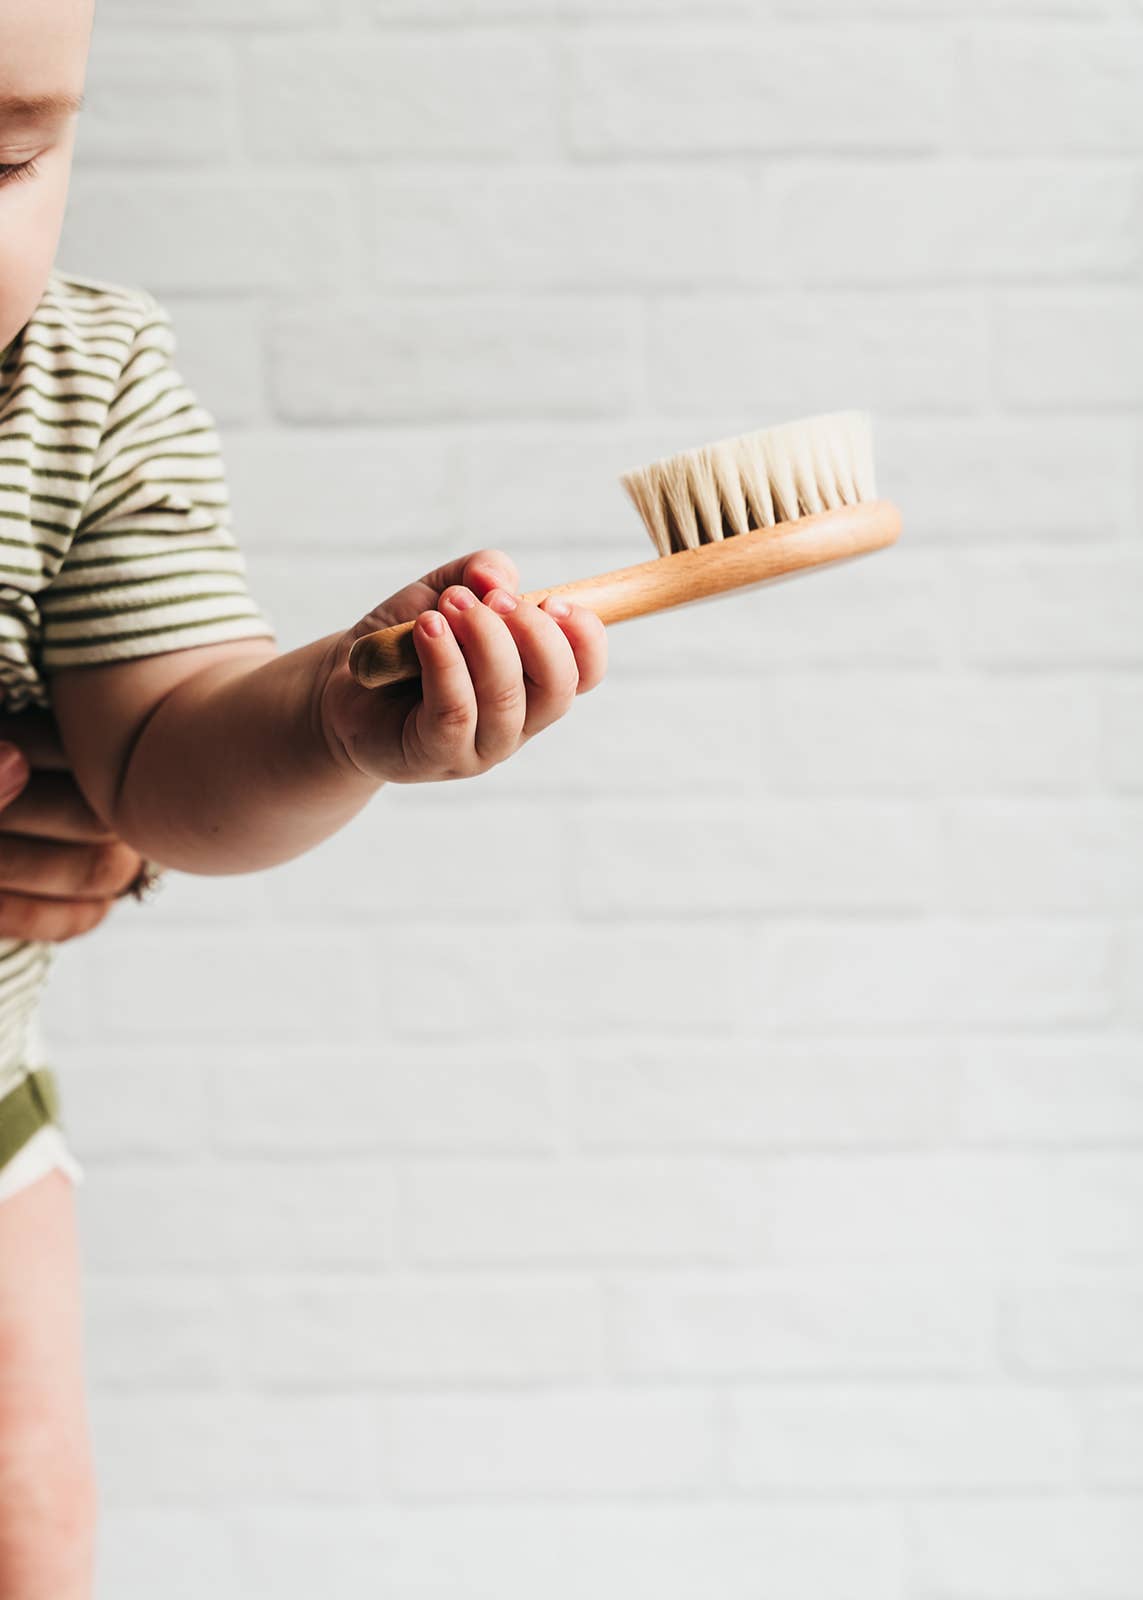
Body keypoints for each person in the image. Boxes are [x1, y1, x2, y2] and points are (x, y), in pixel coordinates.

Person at [0, 2, 608, 1593]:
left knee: (29, 1530)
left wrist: (330, 722)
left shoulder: (83, 384)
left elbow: (170, 762)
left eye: (11, 154)